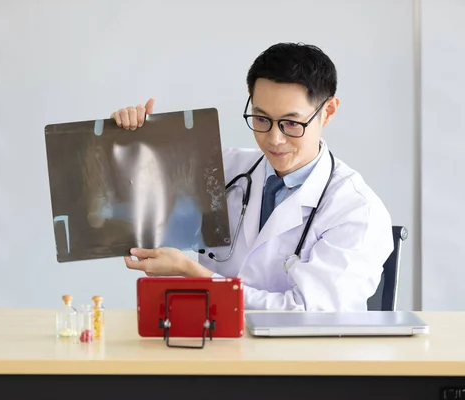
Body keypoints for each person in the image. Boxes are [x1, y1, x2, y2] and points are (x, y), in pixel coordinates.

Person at [110, 42, 393, 311]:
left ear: (327, 111)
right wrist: (130, 139)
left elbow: (307, 313)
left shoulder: (357, 211)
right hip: (218, 350)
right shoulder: (226, 168)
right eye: (261, 119)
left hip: (308, 359)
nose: (274, 139)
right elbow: (130, 196)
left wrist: (193, 272)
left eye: (291, 123)